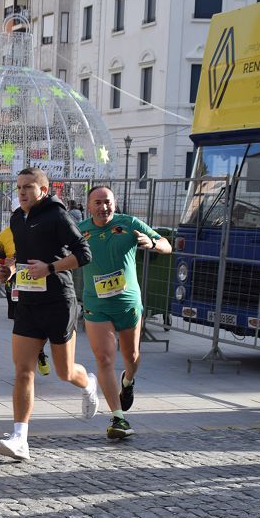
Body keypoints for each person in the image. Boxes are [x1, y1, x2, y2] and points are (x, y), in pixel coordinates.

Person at [0, 168, 96, 461]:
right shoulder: (16, 218)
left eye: (28, 187)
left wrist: (50, 268)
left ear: (43, 190)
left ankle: (88, 383)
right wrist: (9, 270)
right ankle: (20, 438)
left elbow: (84, 254)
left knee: (65, 372)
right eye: (19, 187)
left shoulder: (57, 216)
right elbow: (20, 257)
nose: (22, 192)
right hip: (28, 302)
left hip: (58, 301)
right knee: (23, 370)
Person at [79, 186, 171, 439]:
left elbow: (167, 245)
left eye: (107, 202)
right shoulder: (80, 230)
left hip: (128, 303)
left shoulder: (129, 223)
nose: (103, 207)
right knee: (104, 359)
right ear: (89, 206)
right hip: (96, 304)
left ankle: (128, 380)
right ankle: (118, 418)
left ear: (114, 203)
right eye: (97, 203)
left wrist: (151, 243)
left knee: (131, 355)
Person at [0, 217, 51, 377]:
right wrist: (4, 266)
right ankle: (26, 363)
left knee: (44, 323)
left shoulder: (43, 229)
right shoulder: (5, 235)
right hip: (16, 286)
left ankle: (39, 349)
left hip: (41, 285)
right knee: (22, 323)